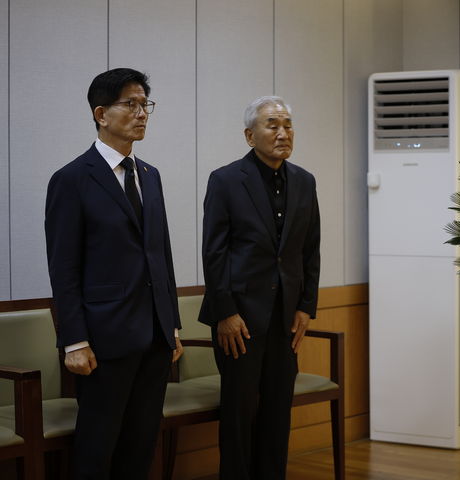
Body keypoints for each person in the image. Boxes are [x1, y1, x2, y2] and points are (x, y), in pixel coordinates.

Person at [45, 67, 183, 479]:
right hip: (103, 339)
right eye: (131, 104)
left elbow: (161, 255)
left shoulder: (151, 176)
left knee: (141, 445)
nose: (141, 113)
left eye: (146, 104)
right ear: (101, 113)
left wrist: (172, 324)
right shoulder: (71, 179)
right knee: (97, 446)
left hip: (154, 336)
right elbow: (63, 267)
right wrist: (74, 339)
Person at [199, 95, 321, 479]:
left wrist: (306, 306)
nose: (282, 133)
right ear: (250, 135)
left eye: (287, 125)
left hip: (285, 318)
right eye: (273, 125)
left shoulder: (304, 181)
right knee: (238, 414)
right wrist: (225, 313)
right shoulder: (226, 180)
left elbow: (310, 249)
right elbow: (214, 253)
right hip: (239, 320)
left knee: (276, 411)